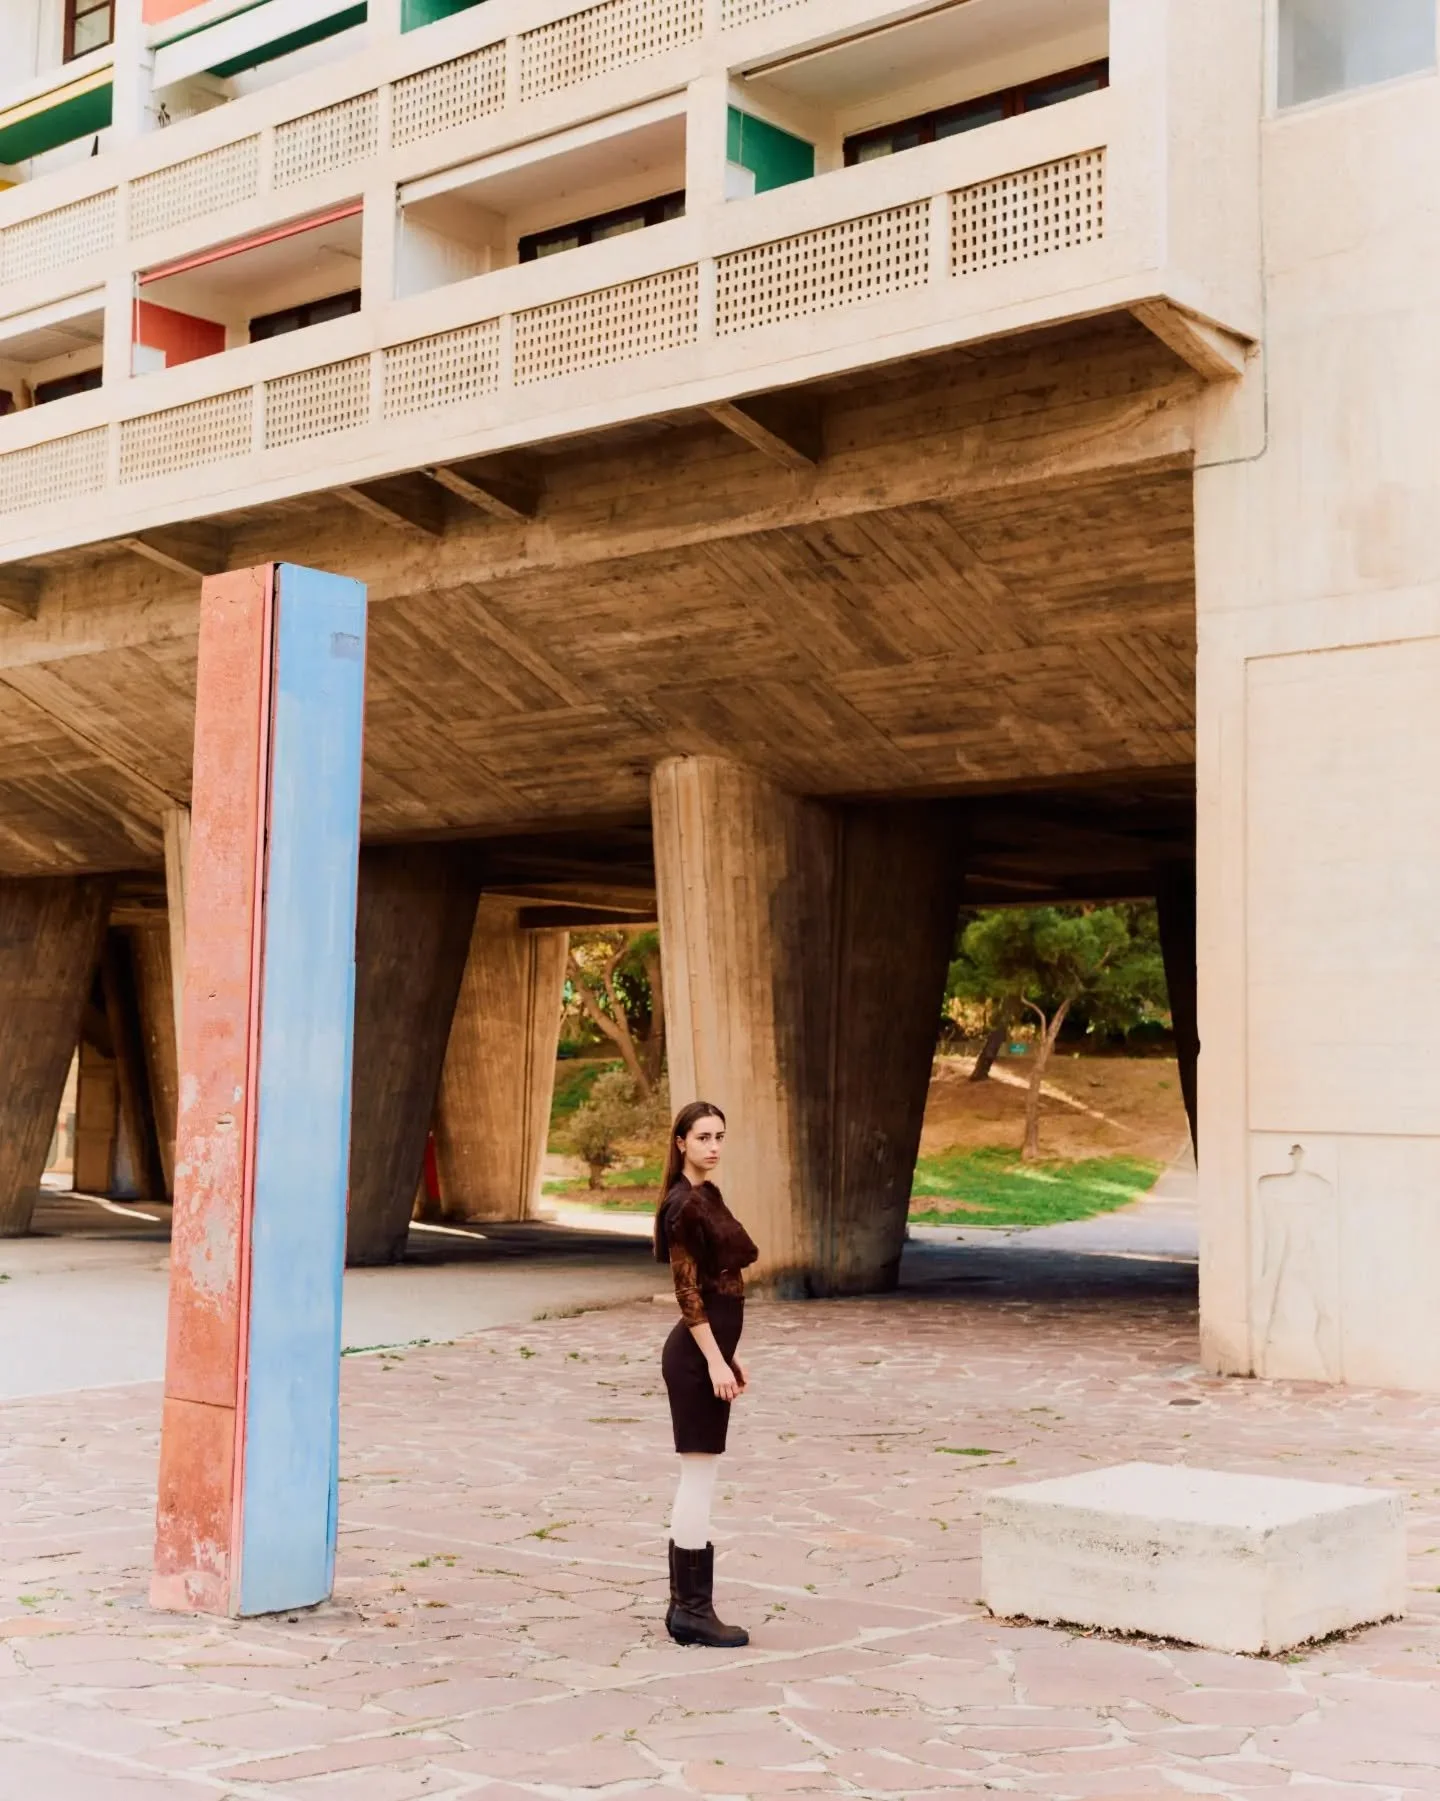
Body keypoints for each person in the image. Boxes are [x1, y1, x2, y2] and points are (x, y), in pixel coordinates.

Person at [654, 1100, 758, 1648]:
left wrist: (729, 1353)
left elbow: (722, 1285)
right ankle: (692, 1611)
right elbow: (688, 1292)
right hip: (695, 1360)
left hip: (708, 1353)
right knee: (698, 1478)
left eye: (720, 1135)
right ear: (681, 1144)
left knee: (701, 1477)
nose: (714, 1146)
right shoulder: (682, 1206)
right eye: (702, 1137)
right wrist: (715, 1358)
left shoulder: (704, 1196)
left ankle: (684, 1610)